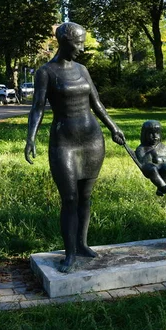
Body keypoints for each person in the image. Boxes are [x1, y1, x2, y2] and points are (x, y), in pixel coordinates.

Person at [24, 22, 125, 273]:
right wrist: (30, 138)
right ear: (64, 42)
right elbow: (37, 108)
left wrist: (113, 128)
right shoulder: (45, 72)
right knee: (69, 198)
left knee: (86, 197)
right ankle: (69, 254)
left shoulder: (83, 69)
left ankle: (81, 244)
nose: (81, 48)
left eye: (82, 42)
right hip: (64, 142)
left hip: (92, 139)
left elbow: (97, 103)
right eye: (78, 43)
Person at [135, 120, 166, 196]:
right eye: (151, 134)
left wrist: (161, 159)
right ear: (145, 135)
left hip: (162, 165)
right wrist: (151, 154)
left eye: (157, 133)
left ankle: (160, 189)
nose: (155, 137)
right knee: (153, 169)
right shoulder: (142, 148)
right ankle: (163, 187)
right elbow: (142, 160)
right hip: (149, 167)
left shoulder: (162, 147)